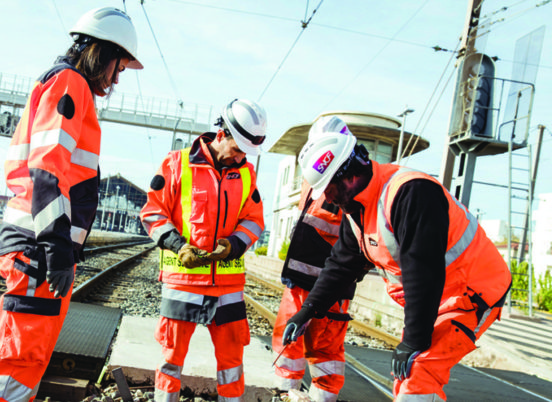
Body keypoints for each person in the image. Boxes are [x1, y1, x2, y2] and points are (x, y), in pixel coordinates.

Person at [283, 115, 512, 401]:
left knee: (419, 373)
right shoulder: (357, 210)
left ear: (349, 175)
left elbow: (423, 270)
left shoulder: (411, 193)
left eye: (329, 188)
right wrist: (308, 311)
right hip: (436, 295)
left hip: (470, 291)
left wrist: (414, 339)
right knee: (405, 376)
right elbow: (341, 266)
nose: (328, 199)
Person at [0, 7, 143, 402]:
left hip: (36, 241)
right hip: (38, 243)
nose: (117, 78)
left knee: (26, 356)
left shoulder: (68, 85)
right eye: (118, 67)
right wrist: (56, 248)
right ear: (102, 52)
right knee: (19, 358)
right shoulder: (70, 84)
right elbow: (47, 169)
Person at [140, 98, 266, 402]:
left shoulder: (246, 174)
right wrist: (177, 245)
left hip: (228, 287)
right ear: (221, 135)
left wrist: (234, 244)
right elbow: (153, 213)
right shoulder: (177, 164)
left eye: (245, 154)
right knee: (171, 359)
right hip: (183, 284)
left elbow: (254, 221)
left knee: (232, 364)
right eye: (237, 150)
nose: (239, 159)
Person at [271, 119, 354, 402]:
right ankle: (284, 394)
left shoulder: (352, 186)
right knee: (287, 338)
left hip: (331, 287)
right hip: (298, 277)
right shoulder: (312, 177)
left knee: (325, 351)